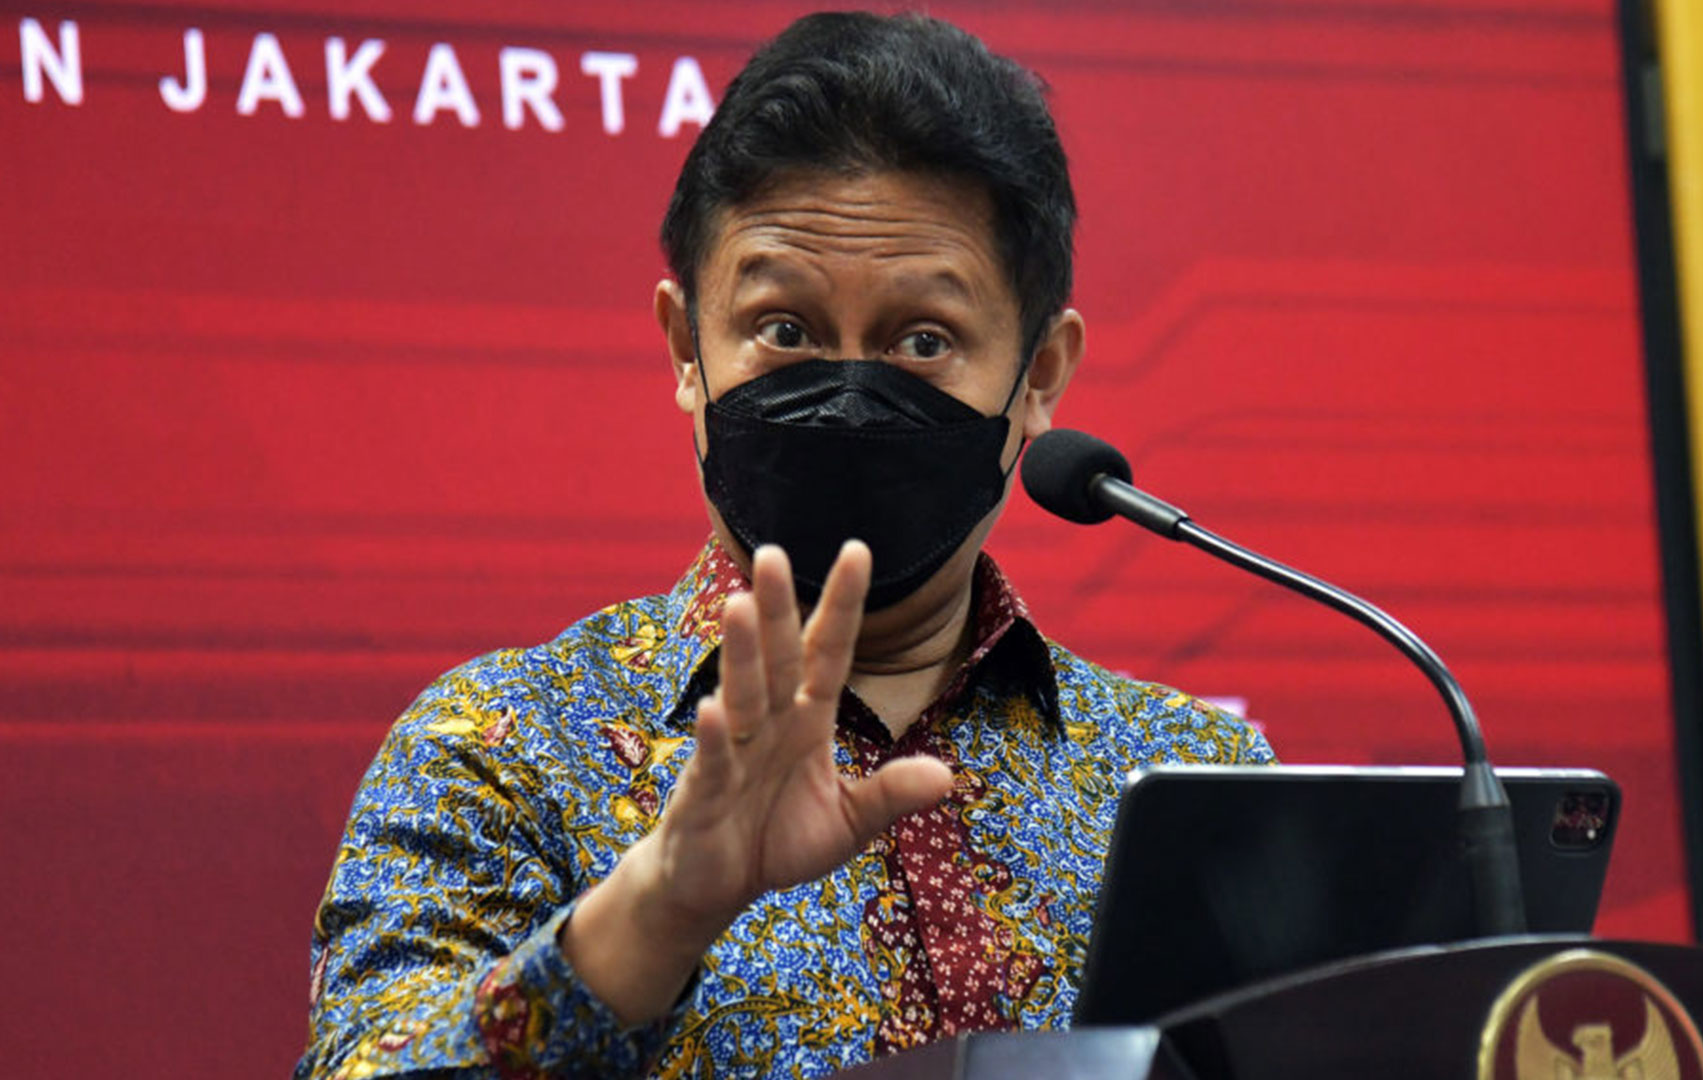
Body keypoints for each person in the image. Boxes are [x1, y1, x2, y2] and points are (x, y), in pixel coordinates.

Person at [297, 12, 1273, 1079]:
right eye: (786, 331)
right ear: (687, 348)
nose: (849, 398)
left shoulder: (1198, 783)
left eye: (923, 341)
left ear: (1039, 376)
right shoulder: (499, 748)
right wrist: (654, 915)